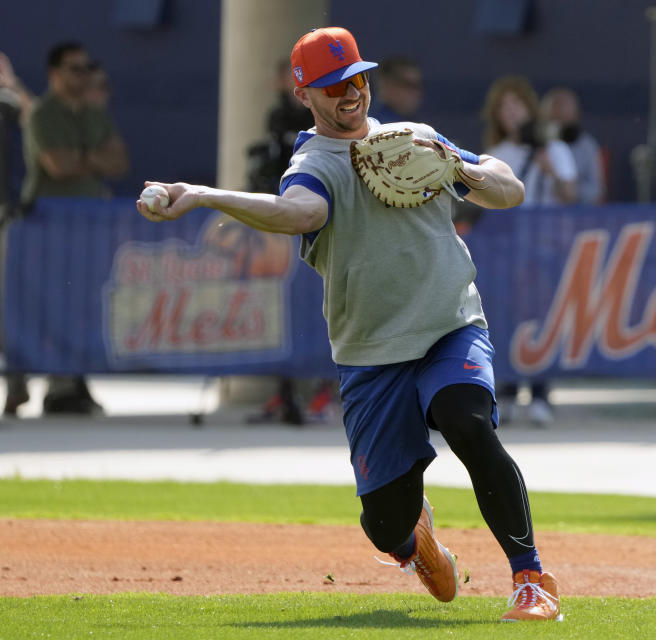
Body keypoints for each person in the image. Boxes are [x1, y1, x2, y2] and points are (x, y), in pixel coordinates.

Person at [136, 26, 560, 622]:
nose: (351, 92)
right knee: (383, 523)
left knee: (467, 424)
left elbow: (508, 191)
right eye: (334, 85)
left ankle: (531, 579)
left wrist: (459, 170)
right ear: (304, 92)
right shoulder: (314, 162)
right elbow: (298, 212)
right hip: (370, 354)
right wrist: (205, 194)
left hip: (449, 326)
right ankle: (416, 542)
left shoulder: (414, 140)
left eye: (357, 78)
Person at [17, 42, 129, 415]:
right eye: (74, 68)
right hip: (46, 228)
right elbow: (57, 166)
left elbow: (119, 161)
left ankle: (68, 383)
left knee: (79, 305)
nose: (83, 75)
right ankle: (21, 382)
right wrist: (93, 159)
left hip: (86, 228)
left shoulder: (93, 114)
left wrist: (84, 158)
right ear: (55, 74)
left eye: (87, 67)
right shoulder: (43, 113)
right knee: (38, 305)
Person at [481, 76, 579, 426]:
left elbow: (569, 197)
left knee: (538, 318)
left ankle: (540, 393)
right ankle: (506, 390)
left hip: (544, 247)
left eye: (516, 105)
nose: (511, 113)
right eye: (504, 108)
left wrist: (551, 173)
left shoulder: (554, 149)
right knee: (505, 317)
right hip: (507, 249)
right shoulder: (496, 153)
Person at [245, 58, 336, 426]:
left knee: (323, 313)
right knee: (284, 313)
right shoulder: (277, 115)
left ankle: (323, 393)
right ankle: (284, 393)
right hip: (284, 229)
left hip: (322, 228)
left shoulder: (326, 117)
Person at [0, 52, 35, 416]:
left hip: (3, 213)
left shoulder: (6, 103)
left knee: (6, 307)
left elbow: (31, 115)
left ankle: (15, 384)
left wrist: (11, 82)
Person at [541, 86, 605, 205]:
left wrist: (570, 191)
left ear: (575, 114)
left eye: (564, 107)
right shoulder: (536, 144)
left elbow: (595, 191)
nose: (559, 113)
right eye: (555, 107)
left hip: (575, 214)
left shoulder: (587, 146)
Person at [368, 55, 422, 124]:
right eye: (408, 84)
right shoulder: (374, 125)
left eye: (417, 85)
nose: (416, 92)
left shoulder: (409, 121)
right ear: (386, 85)